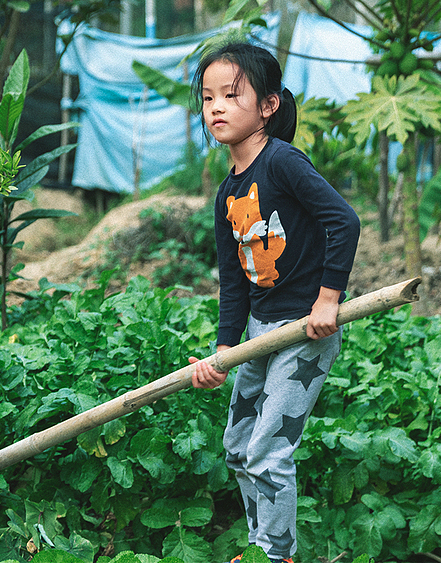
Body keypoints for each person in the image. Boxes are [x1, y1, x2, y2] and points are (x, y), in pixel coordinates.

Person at [187, 42, 360, 563]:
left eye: (231, 95)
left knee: (268, 453)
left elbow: (343, 222)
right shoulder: (227, 194)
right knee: (238, 448)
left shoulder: (283, 163)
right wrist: (222, 349)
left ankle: (275, 556)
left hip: (305, 330)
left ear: (267, 106)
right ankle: (263, 546)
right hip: (260, 330)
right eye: (207, 97)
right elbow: (234, 280)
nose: (216, 107)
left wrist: (328, 300)